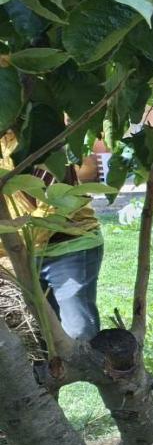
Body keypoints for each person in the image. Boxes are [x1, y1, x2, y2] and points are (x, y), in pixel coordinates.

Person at [0, 133, 104, 341]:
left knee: (78, 332)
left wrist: (14, 246)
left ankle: (86, 372)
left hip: (69, 245)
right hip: (24, 252)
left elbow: (55, 205)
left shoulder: (39, 136)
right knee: (41, 332)